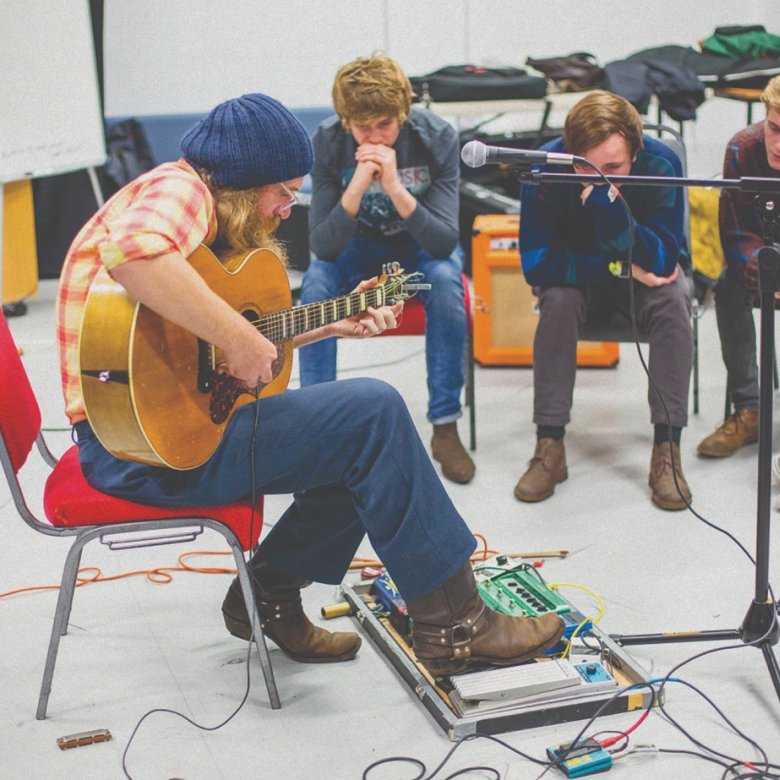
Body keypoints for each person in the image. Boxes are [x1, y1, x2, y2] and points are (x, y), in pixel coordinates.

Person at [56, 93, 562, 675]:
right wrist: (242, 341)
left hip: (150, 432)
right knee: (374, 414)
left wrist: (328, 323)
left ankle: (268, 597)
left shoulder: (194, 195)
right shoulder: (183, 191)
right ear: (242, 183)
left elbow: (198, 349)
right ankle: (456, 627)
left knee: (356, 439)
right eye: (281, 192)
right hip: (140, 451)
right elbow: (134, 255)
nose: (285, 208)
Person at [298, 54, 475, 485]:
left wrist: (393, 185)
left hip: (419, 248)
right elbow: (323, 245)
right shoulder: (326, 141)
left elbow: (442, 241)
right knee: (316, 286)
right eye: (363, 128)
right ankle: (315, 432)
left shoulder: (436, 136)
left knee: (448, 285)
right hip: (356, 248)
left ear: (403, 114)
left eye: (384, 125)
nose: (375, 138)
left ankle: (445, 425)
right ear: (345, 122)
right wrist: (360, 181)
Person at [515, 91, 694, 511]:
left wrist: (606, 209)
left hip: (642, 291)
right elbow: (536, 265)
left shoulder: (662, 163)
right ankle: (550, 444)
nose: (597, 178)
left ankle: (667, 449)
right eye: (585, 165)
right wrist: (621, 265)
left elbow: (665, 259)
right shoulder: (547, 165)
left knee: (673, 296)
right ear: (570, 151)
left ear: (636, 149)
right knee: (556, 298)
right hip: (581, 288)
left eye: (612, 168)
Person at [697, 75, 780, 458]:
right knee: (729, 287)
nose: (778, 144)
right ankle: (748, 411)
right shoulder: (742, 148)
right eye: (774, 128)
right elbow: (734, 232)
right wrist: (765, 272)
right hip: (763, 262)